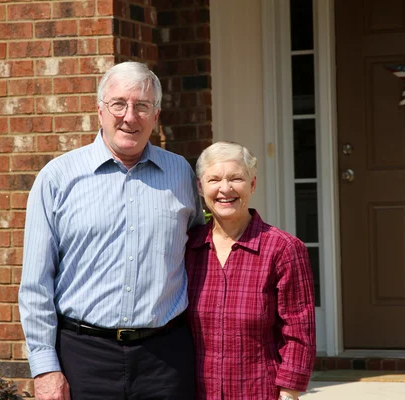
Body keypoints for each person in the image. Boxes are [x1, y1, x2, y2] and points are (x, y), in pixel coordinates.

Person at [19, 61, 204, 400]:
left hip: (165, 360)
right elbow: (36, 283)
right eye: (119, 104)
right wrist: (45, 368)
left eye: (142, 106)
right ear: (100, 110)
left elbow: (200, 257)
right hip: (83, 357)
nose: (129, 116)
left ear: (156, 115)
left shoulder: (181, 174)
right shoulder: (58, 178)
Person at [185, 141, 316, 400]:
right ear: (200, 187)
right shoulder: (187, 247)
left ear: (252, 184)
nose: (225, 189)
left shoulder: (283, 249)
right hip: (196, 391)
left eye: (236, 178)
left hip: (258, 390)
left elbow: (300, 331)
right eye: (214, 180)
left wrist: (288, 392)